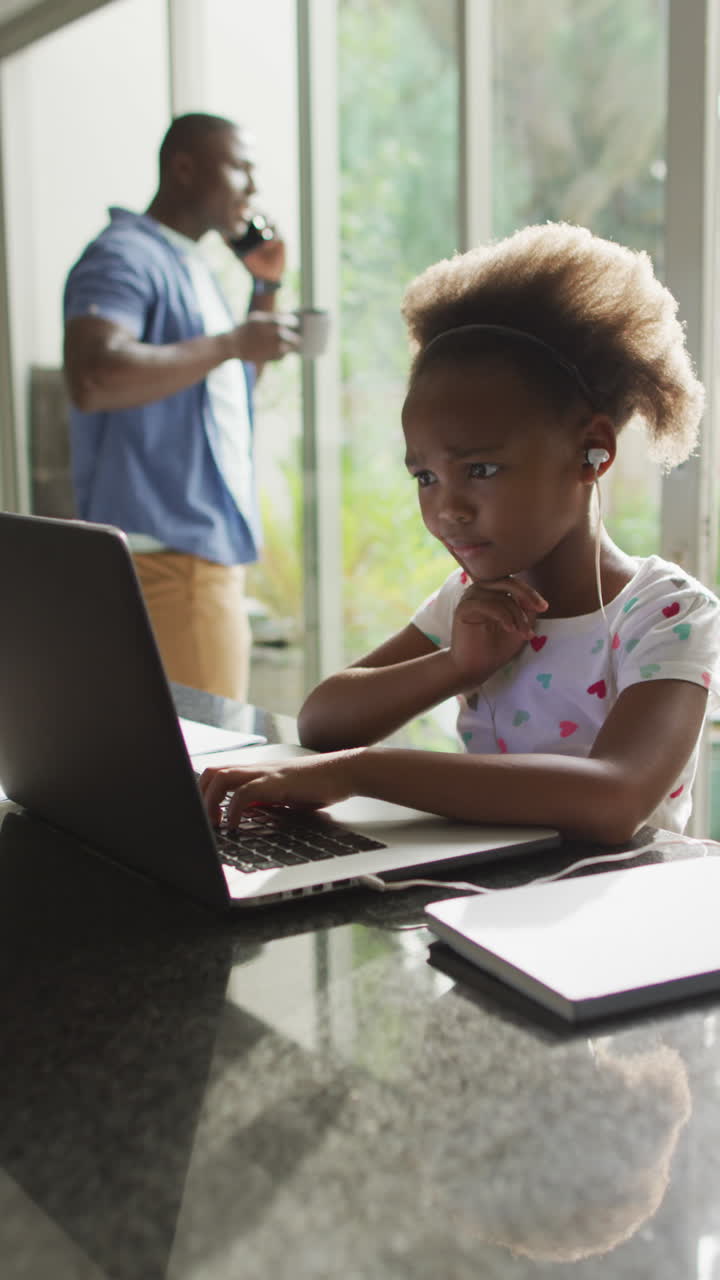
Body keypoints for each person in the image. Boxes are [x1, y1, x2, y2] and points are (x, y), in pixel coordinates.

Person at [200, 221, 720, 842]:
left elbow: (614, 798)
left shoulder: (665, 615)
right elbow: (323, 722)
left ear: (592, 451)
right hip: (480, 905)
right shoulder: (470, 601)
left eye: (480, 468)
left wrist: (366, 772)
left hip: (615, 918)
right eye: (424, 477)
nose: (448, 509)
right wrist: (455, 665)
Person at [63, 112, 300, 701]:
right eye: (239, 167)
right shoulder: (124, 257)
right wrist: (229, 342)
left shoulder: (190, 267)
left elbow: (222, 388)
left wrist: (265, 287)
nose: (251, 187)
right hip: (172, 566)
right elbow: (93, 375)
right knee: (205, 771)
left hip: (188, 557)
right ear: (185, 169)